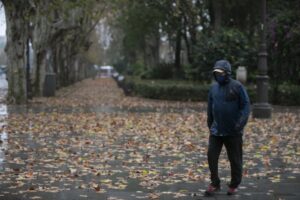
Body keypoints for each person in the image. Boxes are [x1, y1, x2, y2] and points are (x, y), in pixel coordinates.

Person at [205, 60, 250, 196]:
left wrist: (239, 124)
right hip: (216, 131)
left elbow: (246, 106)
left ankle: (234, 184)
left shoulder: (237, 87)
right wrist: (210, 124)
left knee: (235, 159)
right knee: (211, 156)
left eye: (221, 72)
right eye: (216, 73)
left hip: (233, 131)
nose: (218, 75)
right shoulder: (213, 88)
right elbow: (209, 108)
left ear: (227, 73)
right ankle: (215, 183)